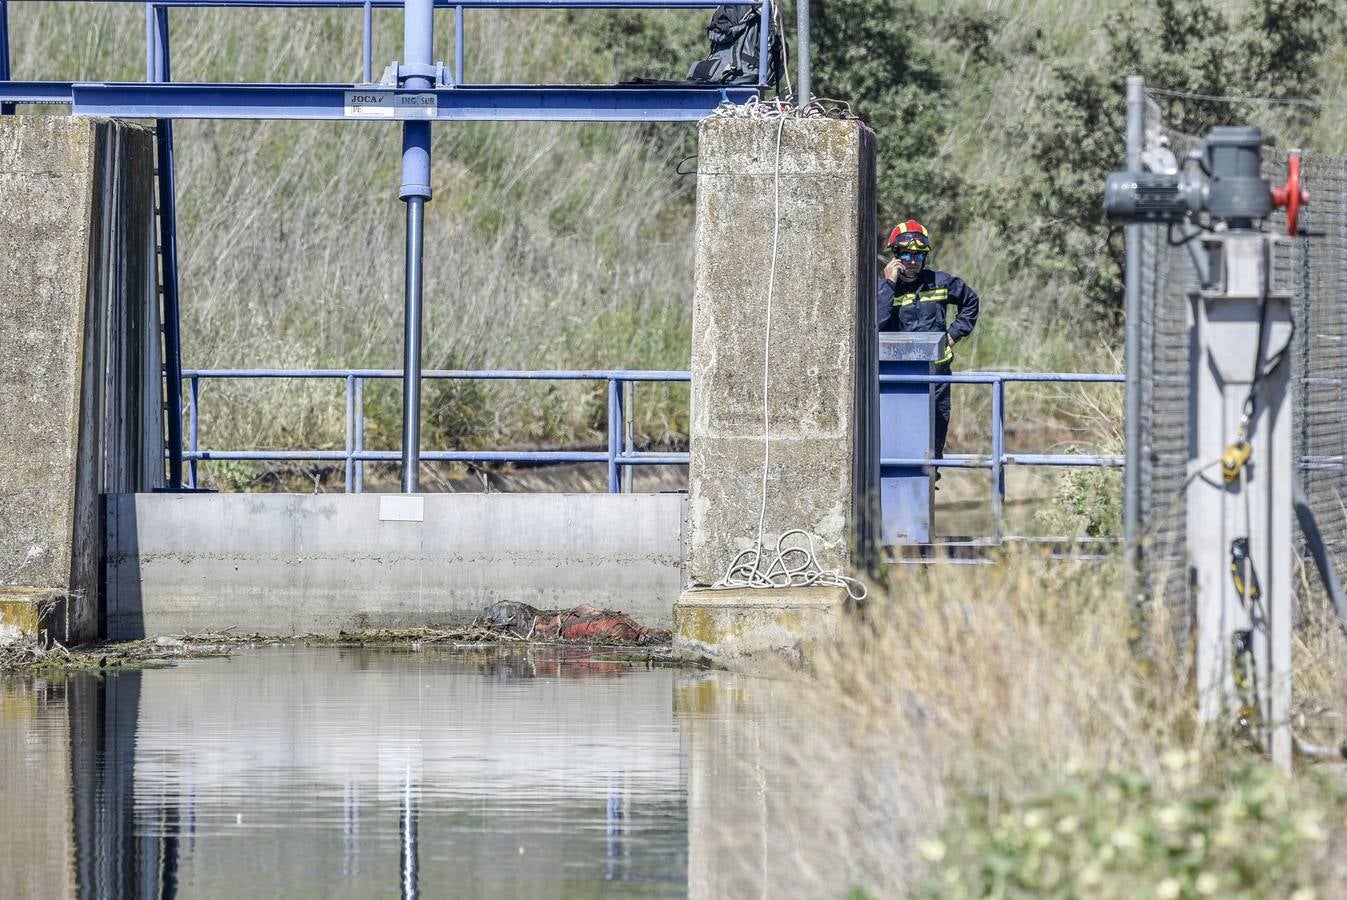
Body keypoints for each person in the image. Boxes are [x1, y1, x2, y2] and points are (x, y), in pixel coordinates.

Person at [876, 219, 980, 473]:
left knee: (935, 439)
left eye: (919, 256)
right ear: (895, 256)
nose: (913, 261)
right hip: (901, 379)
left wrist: (952, 336)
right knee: (901, 439)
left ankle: (932, 476)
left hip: (938, 376)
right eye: (907, 255)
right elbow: (876, 324)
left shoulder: (940, 282)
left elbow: (971, 301)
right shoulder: (883, 289)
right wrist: (889, 285)